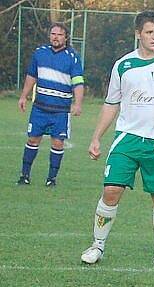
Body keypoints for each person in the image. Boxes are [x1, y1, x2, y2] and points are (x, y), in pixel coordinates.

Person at [80, 10, 154, 272]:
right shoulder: (123, 65)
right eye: (149, 32)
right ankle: (97, 246)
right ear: (138, 34)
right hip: (126, 139)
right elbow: (111, 104)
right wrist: (96, 137)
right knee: (111, 190)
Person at [16, 23, 84, 188]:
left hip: (60, 110)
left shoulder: (72, 57)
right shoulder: (40, 53)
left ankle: (51, 179)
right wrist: (23, 96)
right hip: (40, 107)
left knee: (58, 143)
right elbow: (31, 76)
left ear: (66, 37)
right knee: (33, 140)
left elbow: (78, 82)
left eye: (59, 34)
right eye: (53, 34)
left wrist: (78, 103)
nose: (55, 37)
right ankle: (24, 176)